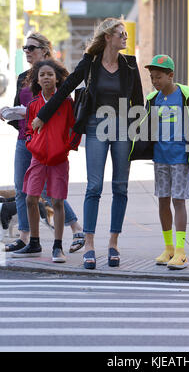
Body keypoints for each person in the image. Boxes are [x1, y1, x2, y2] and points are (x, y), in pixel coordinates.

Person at [31, 18, 144, 269]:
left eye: (125, 34)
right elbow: (65, 89)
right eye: (120, 34)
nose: (125, 37)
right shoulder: (90, 63)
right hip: (96, 127)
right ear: (107, 37)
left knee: (120, 187)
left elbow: (138, 101)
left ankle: (113, 243)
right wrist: (43, 115)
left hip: (123, 128)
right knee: (94, 186)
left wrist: (139, 135)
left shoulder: (130, 64)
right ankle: (90, 244)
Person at [0, 33, 85, 254]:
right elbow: (23, 110)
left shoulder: (56, 78)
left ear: (45, 50)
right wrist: (11, 115)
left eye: (32, 47)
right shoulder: (22, 78)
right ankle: (26, 238)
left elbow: (69, 116)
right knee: (23, 190)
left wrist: (66, 145)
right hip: (27, 141)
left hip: (52, 146)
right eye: (25, 48)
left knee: (49, 192)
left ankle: (75, 227)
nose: (27, 51)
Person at [11, 59, 81, 262]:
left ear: (57, 78)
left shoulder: (67, 102)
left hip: (59, 160)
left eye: (50, 74)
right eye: (42, 75)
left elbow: (74, 127)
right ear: (38, 80)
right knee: (30, 198)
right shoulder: (33, 104)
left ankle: (58, 247)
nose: (46, 77)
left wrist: (66, 147)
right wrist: (33, 144)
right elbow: (29, 130)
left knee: (57, 201)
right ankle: (34, 242)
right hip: (38, 159)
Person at [140, 54, 189, 270]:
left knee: (179, 201)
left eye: (158, 77)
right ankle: (169, 248)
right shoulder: (152, 98)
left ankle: (181, 251)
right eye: (152, 78)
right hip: (160, 157)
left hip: (179, 157)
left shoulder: (186, 94)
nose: (155, 81)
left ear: (170, 75)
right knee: (163, 200)